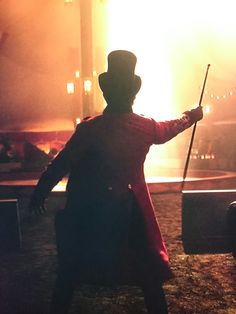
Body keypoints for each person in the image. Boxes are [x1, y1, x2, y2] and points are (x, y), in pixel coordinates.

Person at [29, 50, 203, 314]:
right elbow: (172, 126)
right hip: (131, 210)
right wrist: (190, 116)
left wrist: (40, 191)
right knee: (148, 273)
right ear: (133, 94)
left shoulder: (89, 129)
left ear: (106, 92)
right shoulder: (146, 127)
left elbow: (61, 163)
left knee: (70, 271)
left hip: (90, 211)